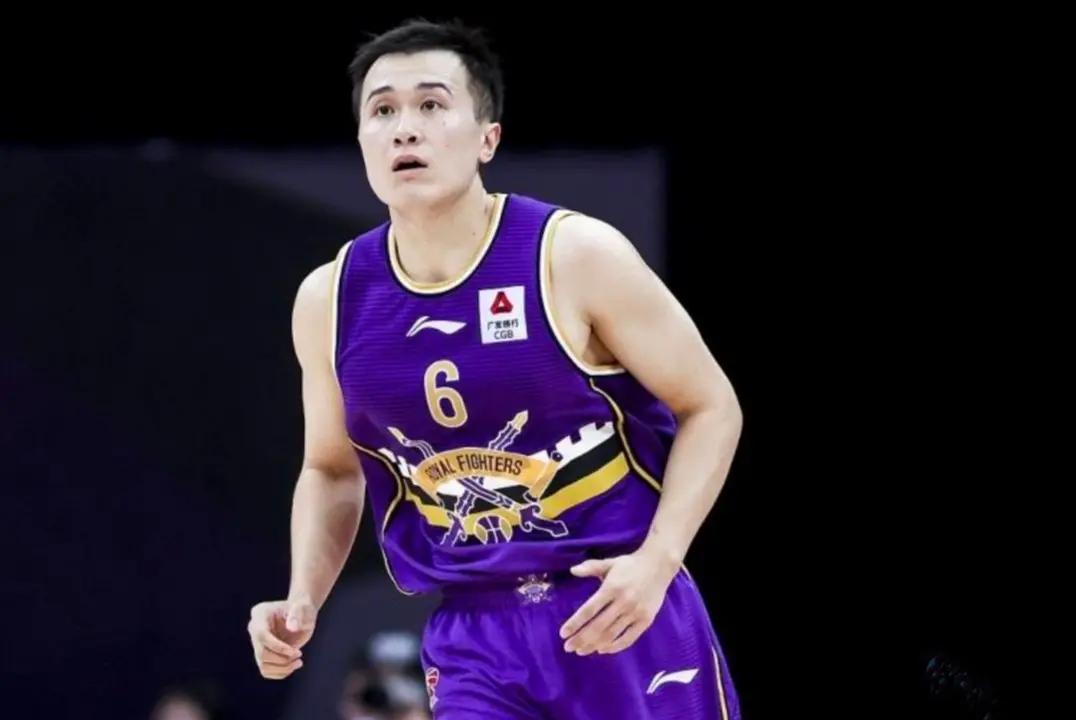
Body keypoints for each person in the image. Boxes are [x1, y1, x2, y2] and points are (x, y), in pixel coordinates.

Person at [247, 18, 743, 719]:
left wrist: (659, 560)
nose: (404, 129)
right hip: (475, 634)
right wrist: (303, 595)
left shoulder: (574, 254)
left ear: (488, 138)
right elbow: (331, 468)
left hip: (617, 604)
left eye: (431, 104)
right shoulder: (328, 299)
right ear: (361, 141)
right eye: (382, 111)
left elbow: (712, 405)